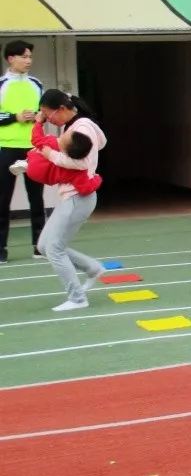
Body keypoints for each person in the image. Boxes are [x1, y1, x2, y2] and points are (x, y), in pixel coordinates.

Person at [34, 90, 107, 311]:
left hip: (79, 197)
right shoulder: (75, 127)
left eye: (48, 115)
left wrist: (51, 156)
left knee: (54, 248)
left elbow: (82, 164)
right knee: (44, 246)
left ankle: (77, 298)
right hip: (72, 196)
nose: (48, 119)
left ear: (62, 109)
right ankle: (92, 268)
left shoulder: (82, 128)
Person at [0, 40, 46, 263]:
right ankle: (1, 250)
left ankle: (40, 247)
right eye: (24, 56)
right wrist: (14, 118)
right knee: (2, 200)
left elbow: (46, 113)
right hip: (6, 148)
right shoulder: (1, 85)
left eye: (30, 57)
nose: (28, 61)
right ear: (11, 59)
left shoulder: (37, 84)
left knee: (37, 198)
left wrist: (39, 116)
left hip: (33, 149)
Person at [9, 119, 101, 196]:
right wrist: (97, 178)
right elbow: (85, 189)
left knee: (37, 151)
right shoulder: (77, 172)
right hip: (40, 176)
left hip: (34, 162)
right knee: (52, 168)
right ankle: (27, 165)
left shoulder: (52, 142)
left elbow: (36, 138)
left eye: (65, 134)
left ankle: (26, 162)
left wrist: (38, 123)